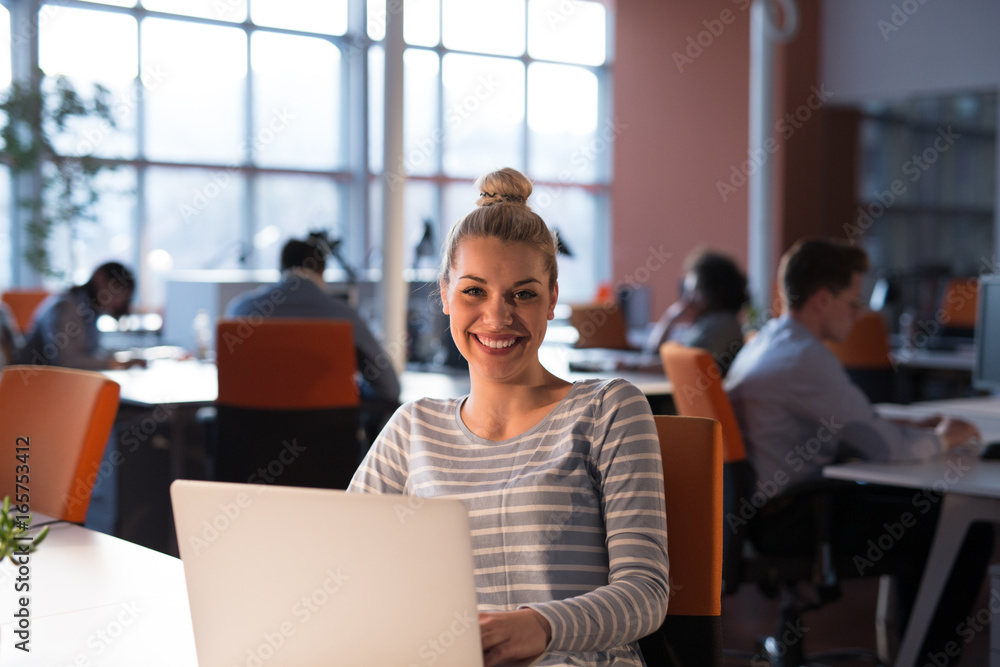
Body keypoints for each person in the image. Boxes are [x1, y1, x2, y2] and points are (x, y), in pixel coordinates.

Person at [348, 168, 669, 667]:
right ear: (445, 294)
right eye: (474, 291)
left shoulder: (609, 409)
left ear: (552, 298)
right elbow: (343, 566)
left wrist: (541, 626)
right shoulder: (413, 428)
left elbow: (645, 592)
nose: (497, 318)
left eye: (523, 294)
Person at [725, 236, 993, 658]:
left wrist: (907, 421)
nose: (859, 313)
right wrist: (947, 437)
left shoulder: (767, 342)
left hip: (764, 513)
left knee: (920, 504)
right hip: (797, 517)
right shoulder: (806, 359)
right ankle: (927, 656)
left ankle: (914, 646)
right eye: (853, 302)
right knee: (955, 523)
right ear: (821, 299)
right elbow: (887, 450)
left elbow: (853, 419)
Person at [225, 236, 401, 423]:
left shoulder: (241, 312)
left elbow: (231, 383)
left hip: (249, 441)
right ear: (322, 271)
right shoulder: (345, 317)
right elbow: (389, 389)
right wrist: (349, 392)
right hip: (328, 442)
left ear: (281, 268)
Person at [17, 262, 143, 370]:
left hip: (60, 385)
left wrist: (121, 359)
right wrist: (117, 363)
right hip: (38, 386)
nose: (119, 300)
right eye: (117, 290)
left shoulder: (89, 311)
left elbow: (91, 352)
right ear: (100, 278)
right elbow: (66, 362)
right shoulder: (65, 307)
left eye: (125, 295)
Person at [644, 248, 748, 375]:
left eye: (694, 290)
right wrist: (670, 318)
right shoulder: (706, 323)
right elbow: (653, 352)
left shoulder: (723, 325)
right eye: (686, 291)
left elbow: (686, 368)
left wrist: (632, 366)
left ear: (714, 292)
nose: (688, 298)